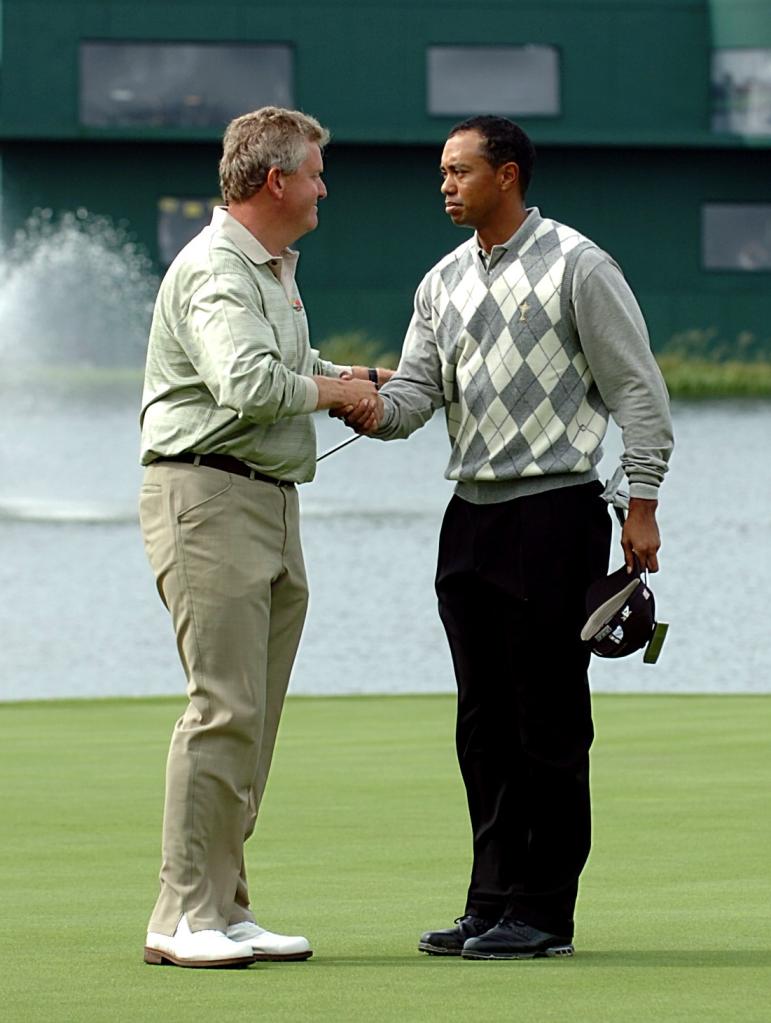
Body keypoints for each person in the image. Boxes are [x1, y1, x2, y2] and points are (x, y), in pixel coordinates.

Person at [342, 115, 674, 960]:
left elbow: (638, 392)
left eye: (459, 171)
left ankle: (544, 910)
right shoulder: (441, 280)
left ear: (509, 175)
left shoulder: (578, 264)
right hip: (471, 518)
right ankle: (489, 899)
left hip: (556, 511)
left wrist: (642, 504)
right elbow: (414, 398)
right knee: (481, 720)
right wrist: (355, 396)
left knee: (547, 718)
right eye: (442, 172)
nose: (444, 184)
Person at [138, 106, 386, 969]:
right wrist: (338, 394)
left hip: (267, 500)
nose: (323, 188)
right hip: (207, 495)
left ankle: (223, 906)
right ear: (274, 180)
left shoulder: (273, 268)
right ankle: (182, 918)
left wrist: (364, 382)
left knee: (255, 717)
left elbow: (296, 367)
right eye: (314, 173)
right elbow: (245, 382)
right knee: (222, 709)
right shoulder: (217, 266)